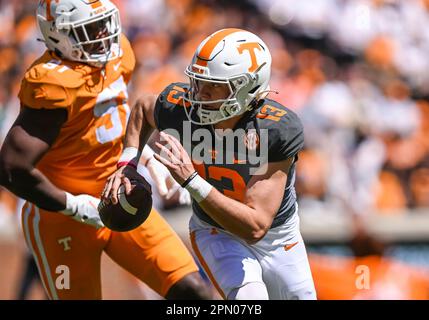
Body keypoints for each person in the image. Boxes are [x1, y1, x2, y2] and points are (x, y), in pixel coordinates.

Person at [0, 0, 210, 300]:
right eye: (89, 29)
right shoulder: (53, 83)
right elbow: (10, 168)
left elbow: (120, 110)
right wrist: (73, 205)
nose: (102, 35)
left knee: (194, 291)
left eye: (103, 24)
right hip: (62, 219)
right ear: (57, 34)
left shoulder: (118, 52)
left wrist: (143, 153)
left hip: (119, 195)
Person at [103, 28, 317, 300]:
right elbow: (144, 108)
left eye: (213, 85)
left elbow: (255, 225)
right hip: (216, 231)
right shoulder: (181, 108)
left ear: (247, 87)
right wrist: (128, 162)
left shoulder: (275, 129)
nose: (200, 94)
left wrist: (191, 182)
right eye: (198, 82)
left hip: (277, 238)